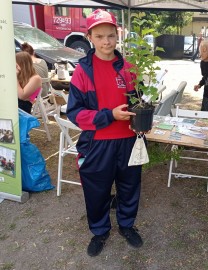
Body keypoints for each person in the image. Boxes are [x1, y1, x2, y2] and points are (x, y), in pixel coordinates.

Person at [66, 9, 145, 257]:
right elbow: (74, 113)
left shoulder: (129, 69)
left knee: (129, 187)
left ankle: (127, 225)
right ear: (90, 37)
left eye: (111, 35)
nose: (106, 41)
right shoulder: (82, 71)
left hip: (128, 141)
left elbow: (139, 103)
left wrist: (143, 119)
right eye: (100, 36)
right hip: (97, 144)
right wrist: (108, 115)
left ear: (117, 35)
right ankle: (100, 231)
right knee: (97, 191)